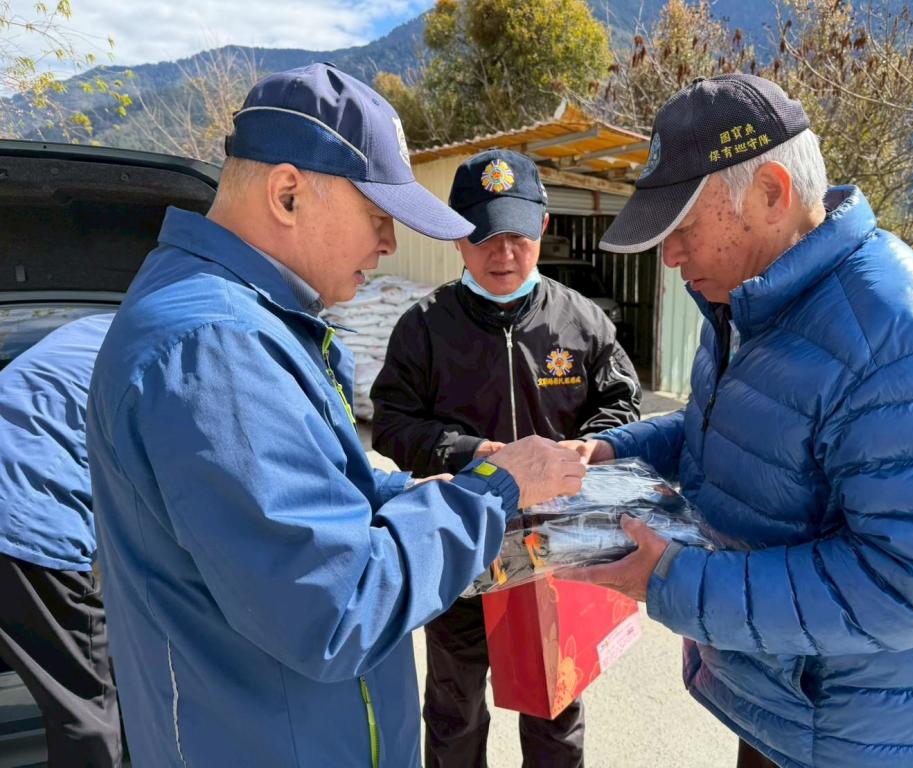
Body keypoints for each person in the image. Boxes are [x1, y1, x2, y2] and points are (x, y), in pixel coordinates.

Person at [85, 63, 586, 767]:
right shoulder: (215, 350)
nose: (388, 245)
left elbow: (324, 489)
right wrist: (495, 491)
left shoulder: (250, 323)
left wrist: (421, 490)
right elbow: (338, 604)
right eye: (378, 219)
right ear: (288, 194)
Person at [561, 74, 913, 768]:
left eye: (683, 228)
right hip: (789, 707)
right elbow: (727, 428)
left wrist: (677, 583)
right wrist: (612, 452)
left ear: (772, 193)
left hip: (865, 739)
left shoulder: (905, 339)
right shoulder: (748, 304)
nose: (669, 256)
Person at [371, 149, 642, 767]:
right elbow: (392, 424)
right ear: (456, 236)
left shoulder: (581, 322)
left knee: (555, 705)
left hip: (554, 550)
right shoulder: (424, 328)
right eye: (485, 236)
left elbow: (621, 405)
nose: (504, 254)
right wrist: (477, 455)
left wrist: (587, 447)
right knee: (455, 707)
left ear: (543, 226)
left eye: (518, 235)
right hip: (460, 543)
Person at [0, 312, 123, 767]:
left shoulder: (94, 330)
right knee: (86, 705)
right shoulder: (179, 347)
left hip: (17, 503)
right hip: (26, 521)